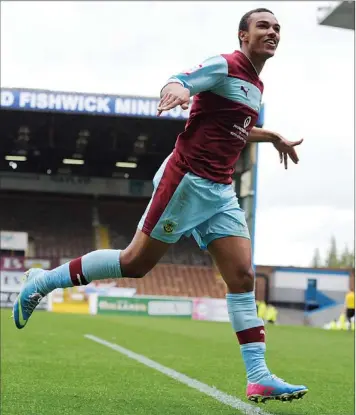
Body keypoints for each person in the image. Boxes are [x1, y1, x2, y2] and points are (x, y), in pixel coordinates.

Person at [13, 8, 307, 403]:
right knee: (135, 262)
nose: (272, 32)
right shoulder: (224, 65)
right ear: (243, 35)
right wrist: (179, 89)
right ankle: (41, 282)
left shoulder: (256, 85)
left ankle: (258, 377)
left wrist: (270, 135)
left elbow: (233, 127)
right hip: (186, 182)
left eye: (276, 28)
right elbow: (182, 80)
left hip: (220, 190)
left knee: (242, 276)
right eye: (263, 26)